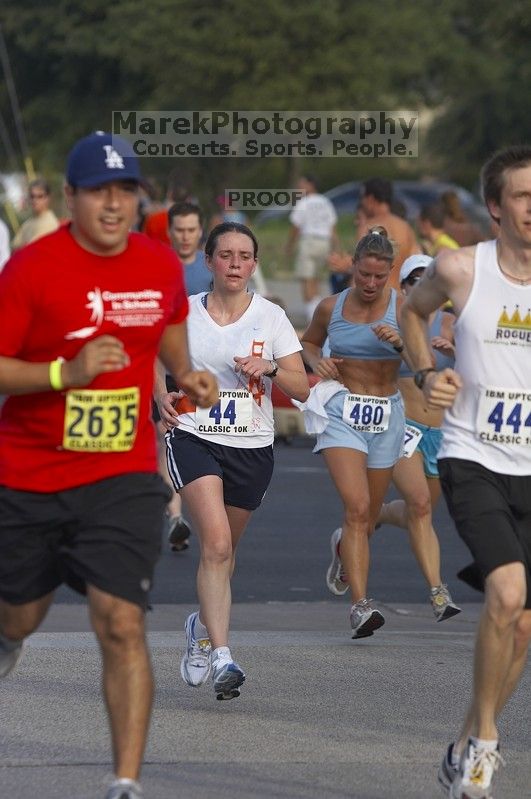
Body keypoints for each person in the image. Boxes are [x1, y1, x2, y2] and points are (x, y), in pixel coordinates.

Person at [0, 131, 218, 799]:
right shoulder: (31, 268)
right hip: (29, 473)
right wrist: (66, 371)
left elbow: (171, 327)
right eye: (100, 190)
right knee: (17, 619)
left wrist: (187, 373)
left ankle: (125, 781)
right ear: (70, 197)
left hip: (121, 474)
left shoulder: (157, 265)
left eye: (126, 190)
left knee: (120, 619)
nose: (115, 203)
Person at [400, 144, 531, 799]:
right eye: (522, 196)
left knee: (524, 623)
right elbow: (411, 313)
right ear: (494, 207)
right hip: (471, 453)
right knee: (505, 595)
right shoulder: (459, 268)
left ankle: (461, 742)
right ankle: (483, 741)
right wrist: (426, 371)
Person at [158, 222, 309, 700]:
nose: (236, 264)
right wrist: (157, 398)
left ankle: (200, 626)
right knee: (217, 543)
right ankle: (222, 654)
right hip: (193, 434)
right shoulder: (182, 314)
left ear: (255, 265)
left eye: (245, 256)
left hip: (252, 445)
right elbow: (150, 359)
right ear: (209, 261)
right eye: (226, 255)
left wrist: (271, 368)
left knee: (224, 554)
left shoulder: (271, 317)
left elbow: (303, 388)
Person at [299, 227, 406, 638]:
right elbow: (308, 343)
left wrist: (400, 345)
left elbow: (423, 362)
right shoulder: (331, 306)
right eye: (364, 275)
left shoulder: (405, 307)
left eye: (379, 277)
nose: (370, 284)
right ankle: (361, 606)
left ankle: (344, 547)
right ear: (353, 268)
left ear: (390, 272)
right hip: (343, 410)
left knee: (369, 517)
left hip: (387, 413)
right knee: (358, 507)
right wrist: (317, 362)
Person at [376, 254, 461, 621]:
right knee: (421, 505)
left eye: (430, 281)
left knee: (418, 512)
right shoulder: (392, 323)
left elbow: (482, 372)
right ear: (404, 288)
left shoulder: (452, 322)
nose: (422, 288)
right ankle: (438, 592)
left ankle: (369, 517)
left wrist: (456, 353)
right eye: (415, 281)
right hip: (404, 426)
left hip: (442, 433)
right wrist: (400, 348)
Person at [156, 201, 213, 552]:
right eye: (180, 230)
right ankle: (176, 516)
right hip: (164, 364)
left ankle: (200, 512)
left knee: (201, 440)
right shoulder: (158, 265)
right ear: (170, 231)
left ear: (200, 230)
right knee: (166, 435)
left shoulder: (210, 267)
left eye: (192, 230)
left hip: (203, 368)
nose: (186, 236)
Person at [286, 175, 339, 322]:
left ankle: (313, 317)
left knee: (306, 278)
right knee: (316, 279)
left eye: (302, 184)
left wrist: (290, 245)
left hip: (309, 241)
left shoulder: (304, 202)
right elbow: (332, 226)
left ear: (310, 185)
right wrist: (335, 246)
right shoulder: (325, 202)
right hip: (324, 242)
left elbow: (296, 226)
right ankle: (317, 311)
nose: (299, 186)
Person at [357, 178, 421, 289]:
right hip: (399, 296)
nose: (362, 203)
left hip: (374, 297)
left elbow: (360, 264)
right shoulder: (405, 227)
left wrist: (344, 265)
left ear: (370, 199)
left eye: (362, 198)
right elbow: (416, 261)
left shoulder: (368, 227)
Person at [11, 178, 59, 249]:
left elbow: (31, 249)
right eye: (32, 196)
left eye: (40, 196)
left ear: (48, 198)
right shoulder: (28, 223)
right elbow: (14, 246)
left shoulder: (49, 222)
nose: (35, 200)